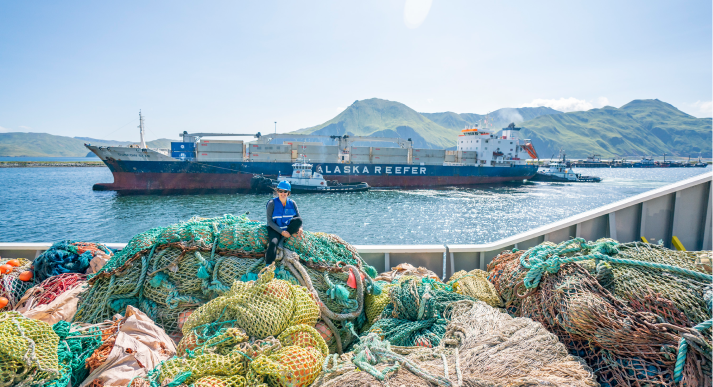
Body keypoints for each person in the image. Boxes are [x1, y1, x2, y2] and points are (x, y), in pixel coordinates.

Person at [265, 180, 302, 265]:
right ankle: (268, 266)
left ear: (288, 193)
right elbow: (269, 221)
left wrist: (300, 228)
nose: (282, 193)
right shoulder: (272, 203)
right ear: (277, 191)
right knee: (273, 243)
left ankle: (282, 240)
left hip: (287, 227)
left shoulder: (292, 203)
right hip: (274, 228)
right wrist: (281, 232)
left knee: (299, 221)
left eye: (285, 191)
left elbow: (298, 217)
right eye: (280, 191)